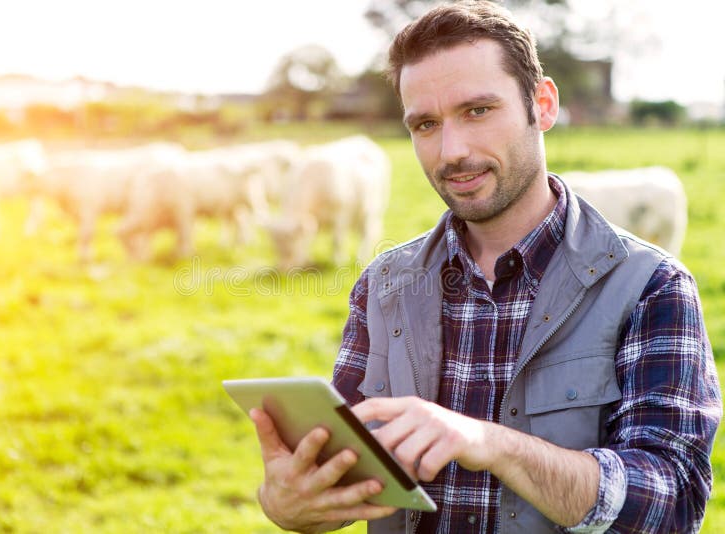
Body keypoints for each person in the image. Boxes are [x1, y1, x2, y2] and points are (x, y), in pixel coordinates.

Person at [248, 1, 722, 532]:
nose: (452, 151)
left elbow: (673, 503)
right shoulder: (382, 285)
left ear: (541, 105)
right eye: (426, 124)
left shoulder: (651, 287)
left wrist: (490, 444)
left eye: (477, 111)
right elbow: (345, 471)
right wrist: (287, 501)